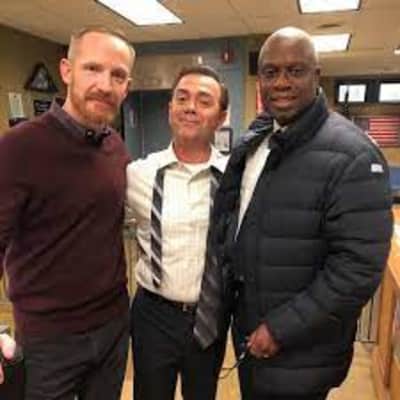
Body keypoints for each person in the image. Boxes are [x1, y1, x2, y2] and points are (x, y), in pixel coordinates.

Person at [212, 27, 393, 400]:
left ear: (317, 75)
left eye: (295, 71)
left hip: (300, 351)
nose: (281, 82)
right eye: (271, 72)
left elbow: (357, 269)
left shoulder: (353, 155)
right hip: (251, 334)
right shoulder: (259, 140)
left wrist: (280, 329)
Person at [0, 26, 135, 399]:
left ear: (126, 86)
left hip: (112, 327)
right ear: (67, 70)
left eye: (117, 75)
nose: (105, 85)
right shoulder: (18, 147)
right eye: (93, 68)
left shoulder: (116, 148)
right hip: (48, 340)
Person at [126, 65, 230, 400]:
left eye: (204, 101)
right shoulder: (137, 174)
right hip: (152, 314)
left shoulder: (235, 178)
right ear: (170, 108)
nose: (190, 107)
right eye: (182, 98)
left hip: (210, 314)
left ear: (221, 117)